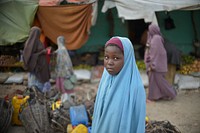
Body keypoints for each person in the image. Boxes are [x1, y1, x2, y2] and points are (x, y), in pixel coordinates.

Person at [92, 37, 146, 133]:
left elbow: (136, 123)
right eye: (106, 57)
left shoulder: (135, 88)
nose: (109, 62)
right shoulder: (105, 81)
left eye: (116, 58)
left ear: (127, 59)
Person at [144, 23, 177, 101]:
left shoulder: (156, 39)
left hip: (157, 65)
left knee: (161, 82)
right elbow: (150, 50)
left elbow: (157, 53)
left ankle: (171, 93)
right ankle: (156, 96)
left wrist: (152, 64)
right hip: (156, 64)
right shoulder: (153, 38)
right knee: (154, 82)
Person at [23, 26, 51, 93]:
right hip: (36, 68)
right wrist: (42, 52)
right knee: (35, 86)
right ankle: (35, 96)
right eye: (38, 33)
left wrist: (45, 51)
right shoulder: (31, 43)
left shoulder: (38, 41)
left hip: (41, 66)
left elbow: (37, 52)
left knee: (40, 86)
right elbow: (29, 56)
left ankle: (39, 96)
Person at [55, 36, 77, 102]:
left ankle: (66, 101)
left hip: (62, 72)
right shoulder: (62, 50)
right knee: (65, 87)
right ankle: (66, 101)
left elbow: (66, 62)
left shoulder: (62, 50)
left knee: (64, 87)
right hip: (63, 72)